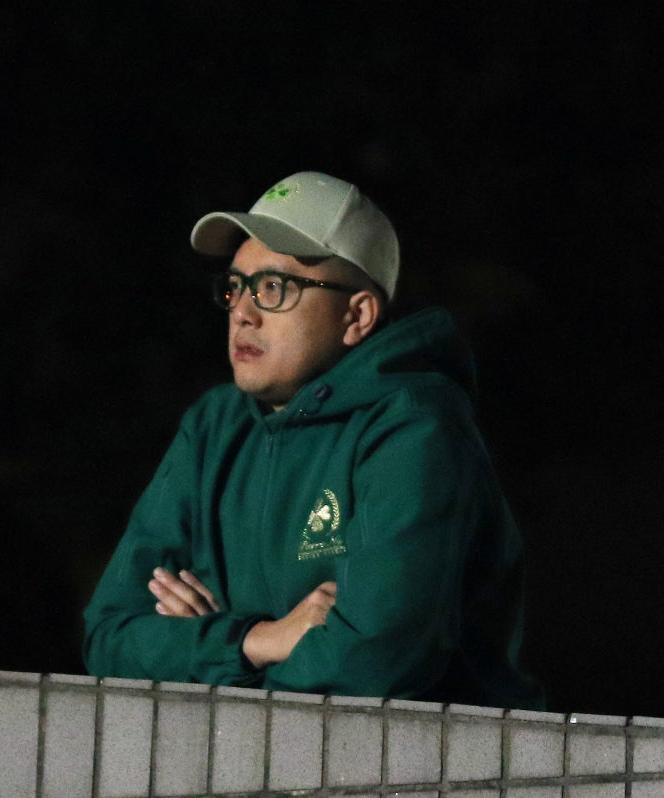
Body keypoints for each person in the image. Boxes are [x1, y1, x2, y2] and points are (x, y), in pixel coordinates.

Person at [81, 171, 543, 708]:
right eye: (236, 287)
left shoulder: (416, 428)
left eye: (275, 288)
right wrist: (258, 641)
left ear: (357, 316)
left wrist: (206, 660)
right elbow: (109, 637)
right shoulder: (213, 425)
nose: (243, 313)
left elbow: (371, 666)